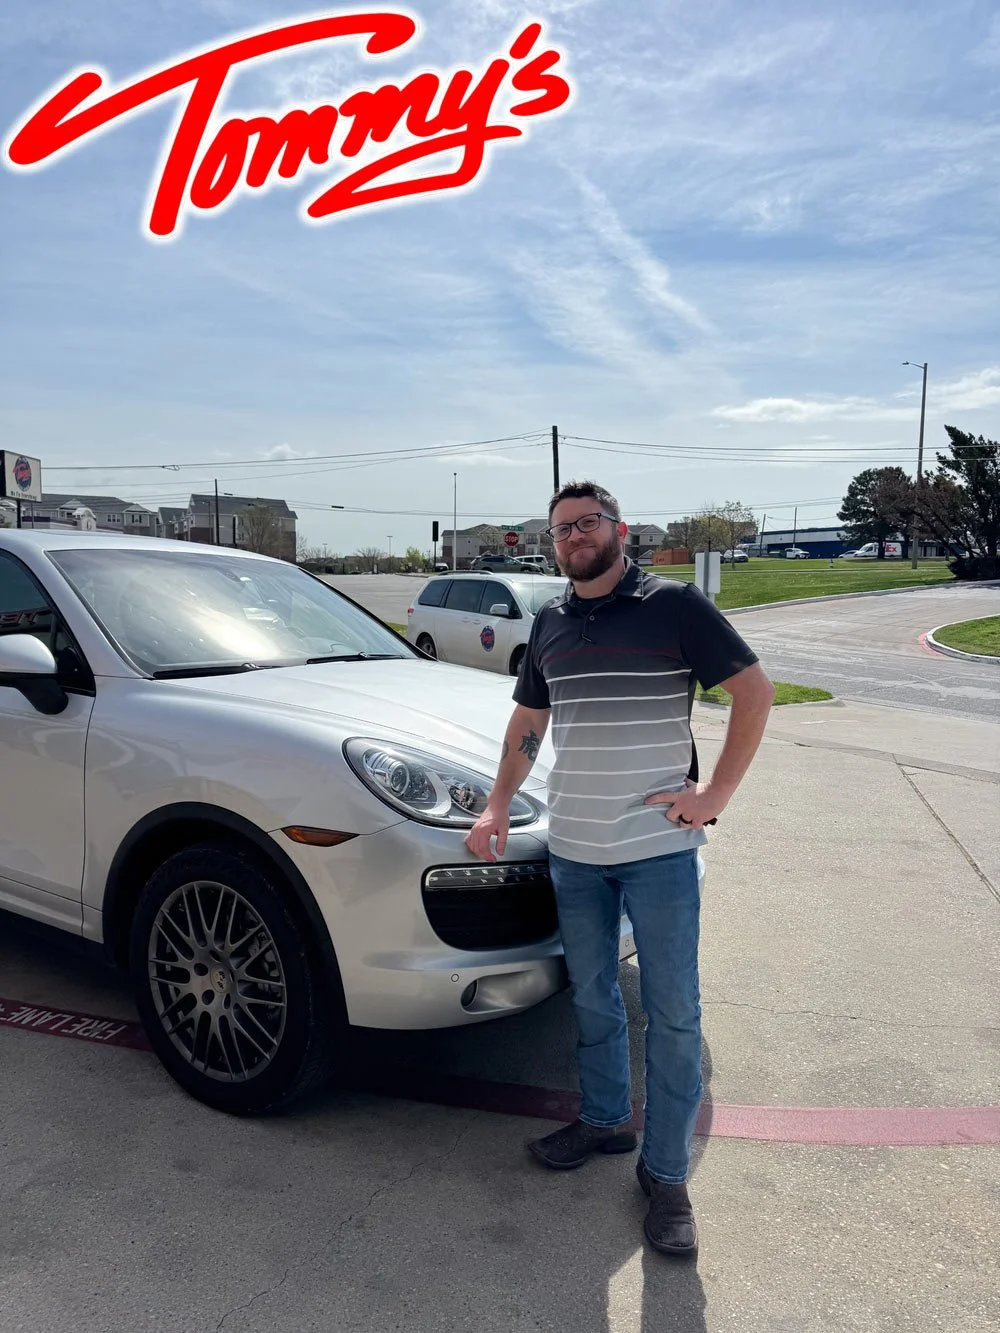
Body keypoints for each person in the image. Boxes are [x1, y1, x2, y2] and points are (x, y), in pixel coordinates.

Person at [465, 481, 774, 1258]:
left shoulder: (673, 607)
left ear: (618, 529)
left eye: (586, 522)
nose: (573, 535)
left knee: (673, 1015)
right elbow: (529, 718)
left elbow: (753, 691)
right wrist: (498, 804)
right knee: (594, 997)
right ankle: (603, 1122)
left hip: (659, 855)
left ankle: (665, 1175)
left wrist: (715, 793)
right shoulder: (551, 620)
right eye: (561, 527)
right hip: (574, 850)